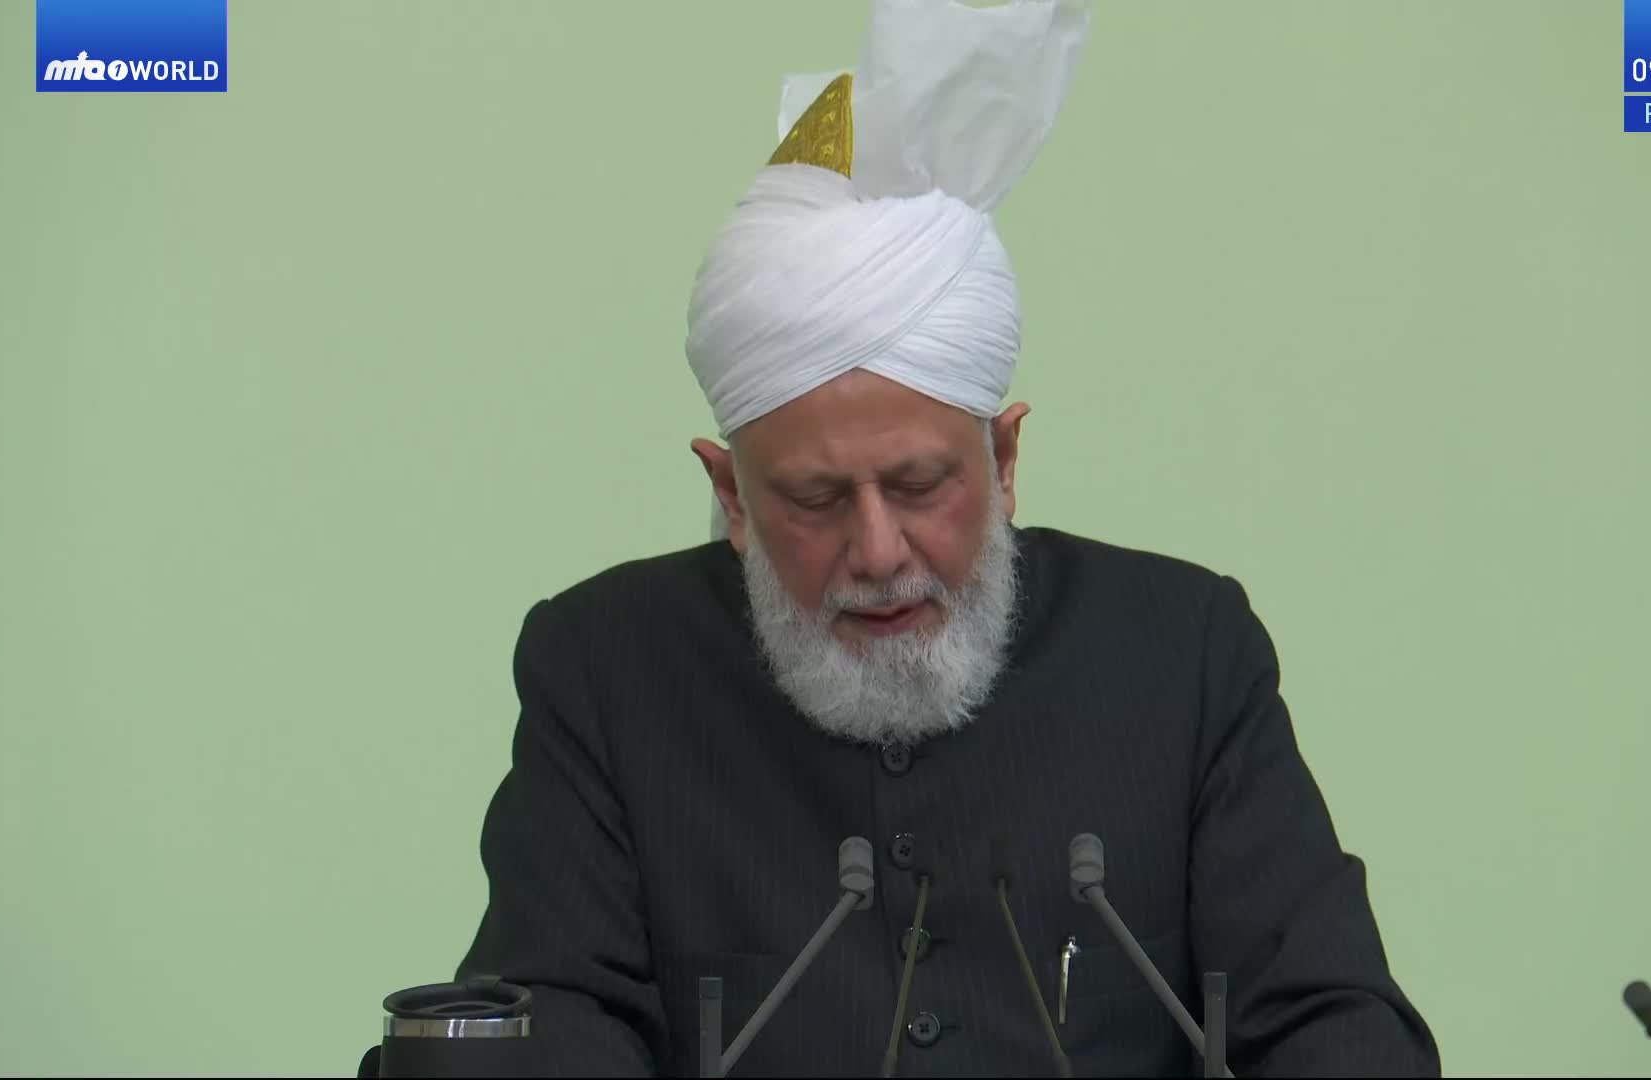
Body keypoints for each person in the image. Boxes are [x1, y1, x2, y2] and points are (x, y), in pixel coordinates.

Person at [455, 0, 1439, 1075]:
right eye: (817, 501)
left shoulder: (1186, 651)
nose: (879, 554)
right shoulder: (604, 667)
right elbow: (546, 1021)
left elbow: (1337, 1026)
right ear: (730, 496)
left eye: (921, 486)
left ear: (1005, 462)